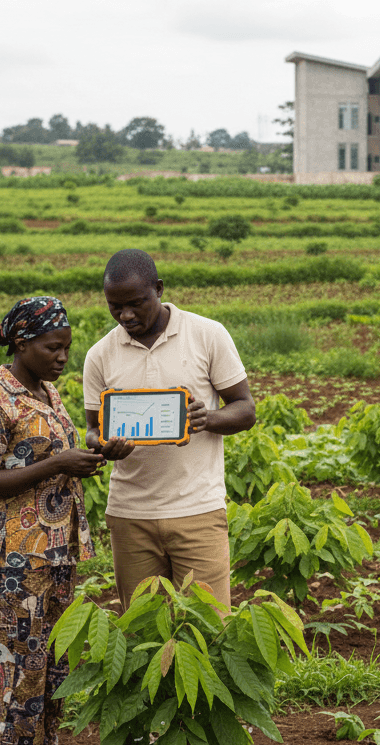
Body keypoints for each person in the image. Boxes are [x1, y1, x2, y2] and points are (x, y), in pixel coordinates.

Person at [0, 296, 116, 745]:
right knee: (15, 674)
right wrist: (58, 463)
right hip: (14, 560)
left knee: (51, 672)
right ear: (22, 343)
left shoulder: (48, 394)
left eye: (67, 348)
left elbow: (53, 463)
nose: (63, 357)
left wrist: (94, 457)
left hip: (55, 556)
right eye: (53, 348)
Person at [83, 248, 256, 611]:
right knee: (143, 629)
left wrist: (208, 418)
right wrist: (103, 445)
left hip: (198, 509)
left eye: (136, 303)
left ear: (159, 289)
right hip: (130, 513)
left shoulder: (207, 335)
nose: (126, 315)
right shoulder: (100, 355)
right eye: (115, 307)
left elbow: (245, 409)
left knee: (209, 623)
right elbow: (92, 429)